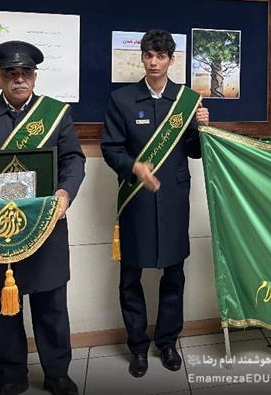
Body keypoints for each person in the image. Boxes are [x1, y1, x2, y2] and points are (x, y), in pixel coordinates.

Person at [0, 40, 85, 395]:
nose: (19, 79)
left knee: (51, 305)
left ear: (35, 77)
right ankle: (10, 377)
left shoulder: (56, 114)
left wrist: (65, 193)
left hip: (45, 225)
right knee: (1, 309)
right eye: (11, 73)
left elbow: (73, 160)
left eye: (26, 73)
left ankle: (57, 373)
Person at [101, 30, 209, 378]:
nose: (153, 62)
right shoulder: (121, 99)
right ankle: (137, 347)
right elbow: (111, 148)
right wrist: (133, 167)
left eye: (160, 56)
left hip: (174, 200)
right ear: (142, 57)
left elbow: (194, 151)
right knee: (130, 275)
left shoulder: (186, 100)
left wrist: (202, 129)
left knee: (174, 274)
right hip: (137, 199)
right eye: (148, 55)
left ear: (171, 60)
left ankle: (168, 342)